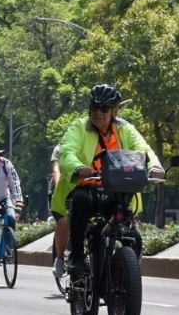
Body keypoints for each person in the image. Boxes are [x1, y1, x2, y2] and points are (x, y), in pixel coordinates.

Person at [55, 84, 164, 275]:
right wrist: (79, 168)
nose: (99, 113)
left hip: (116, 189)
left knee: (131, 232)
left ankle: (126, 273)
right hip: (88, 187)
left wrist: (154, 166)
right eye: (95, 108)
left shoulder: (126, 129)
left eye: (104, 109)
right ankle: (77, 257)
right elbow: (66, 153)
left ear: (114, 111)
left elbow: (143, 149)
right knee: (80, 201)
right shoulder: (79, 127)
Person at [48, 144, 69, 278]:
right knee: (63, 221)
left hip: (83, 189)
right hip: (61, 191)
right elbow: (56, 171)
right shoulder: (60, 149)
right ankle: (60, 259)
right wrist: (59, 190)